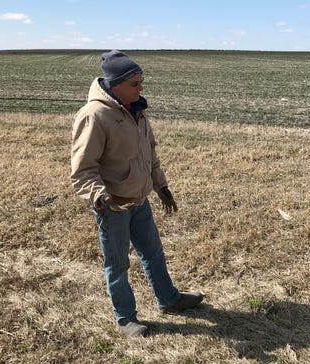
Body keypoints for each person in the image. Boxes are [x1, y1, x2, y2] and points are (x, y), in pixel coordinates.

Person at [71, 50, 203, 337]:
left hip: (139, 200)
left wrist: (161, 186)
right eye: (135, 83)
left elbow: (149, 154)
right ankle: (125, 319)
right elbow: (83, 169)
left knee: (154, 253)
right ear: (115, 83)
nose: (141, 88)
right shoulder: (95, 115)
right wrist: (101, 198)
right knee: (117, 264)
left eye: (141, 82)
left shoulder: (137, 111)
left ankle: (169, 299)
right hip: (113, 206)